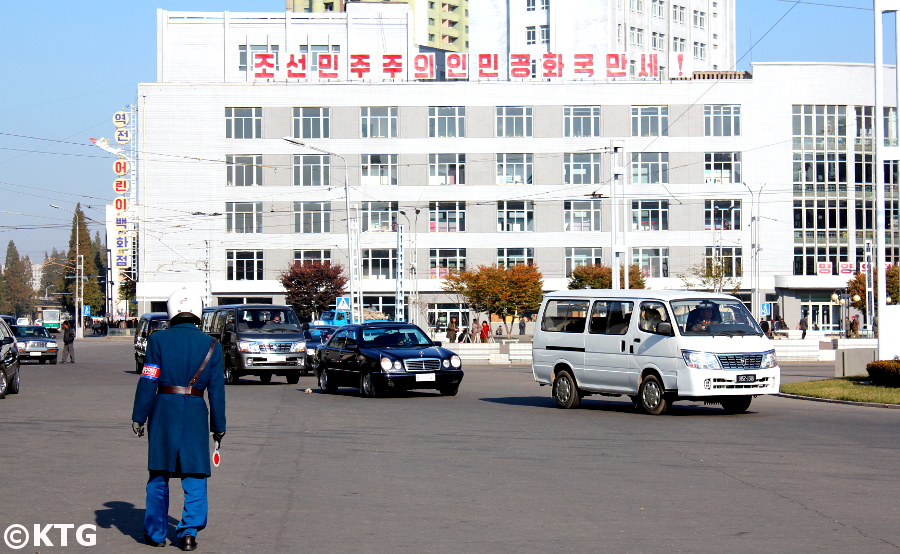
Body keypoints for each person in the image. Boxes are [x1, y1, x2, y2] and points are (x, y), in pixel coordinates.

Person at [132, 289, 226, 551]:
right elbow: (217, 391)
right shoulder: (212, 345)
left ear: (171, 311)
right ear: (199, 312)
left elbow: (149, 379)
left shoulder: (158, 340)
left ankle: (156, 533)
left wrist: (139, 415)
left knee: (159, 472)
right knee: (195, 473)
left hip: (163, 409)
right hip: (196, 411)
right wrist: (218, 427)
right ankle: (188, 533)